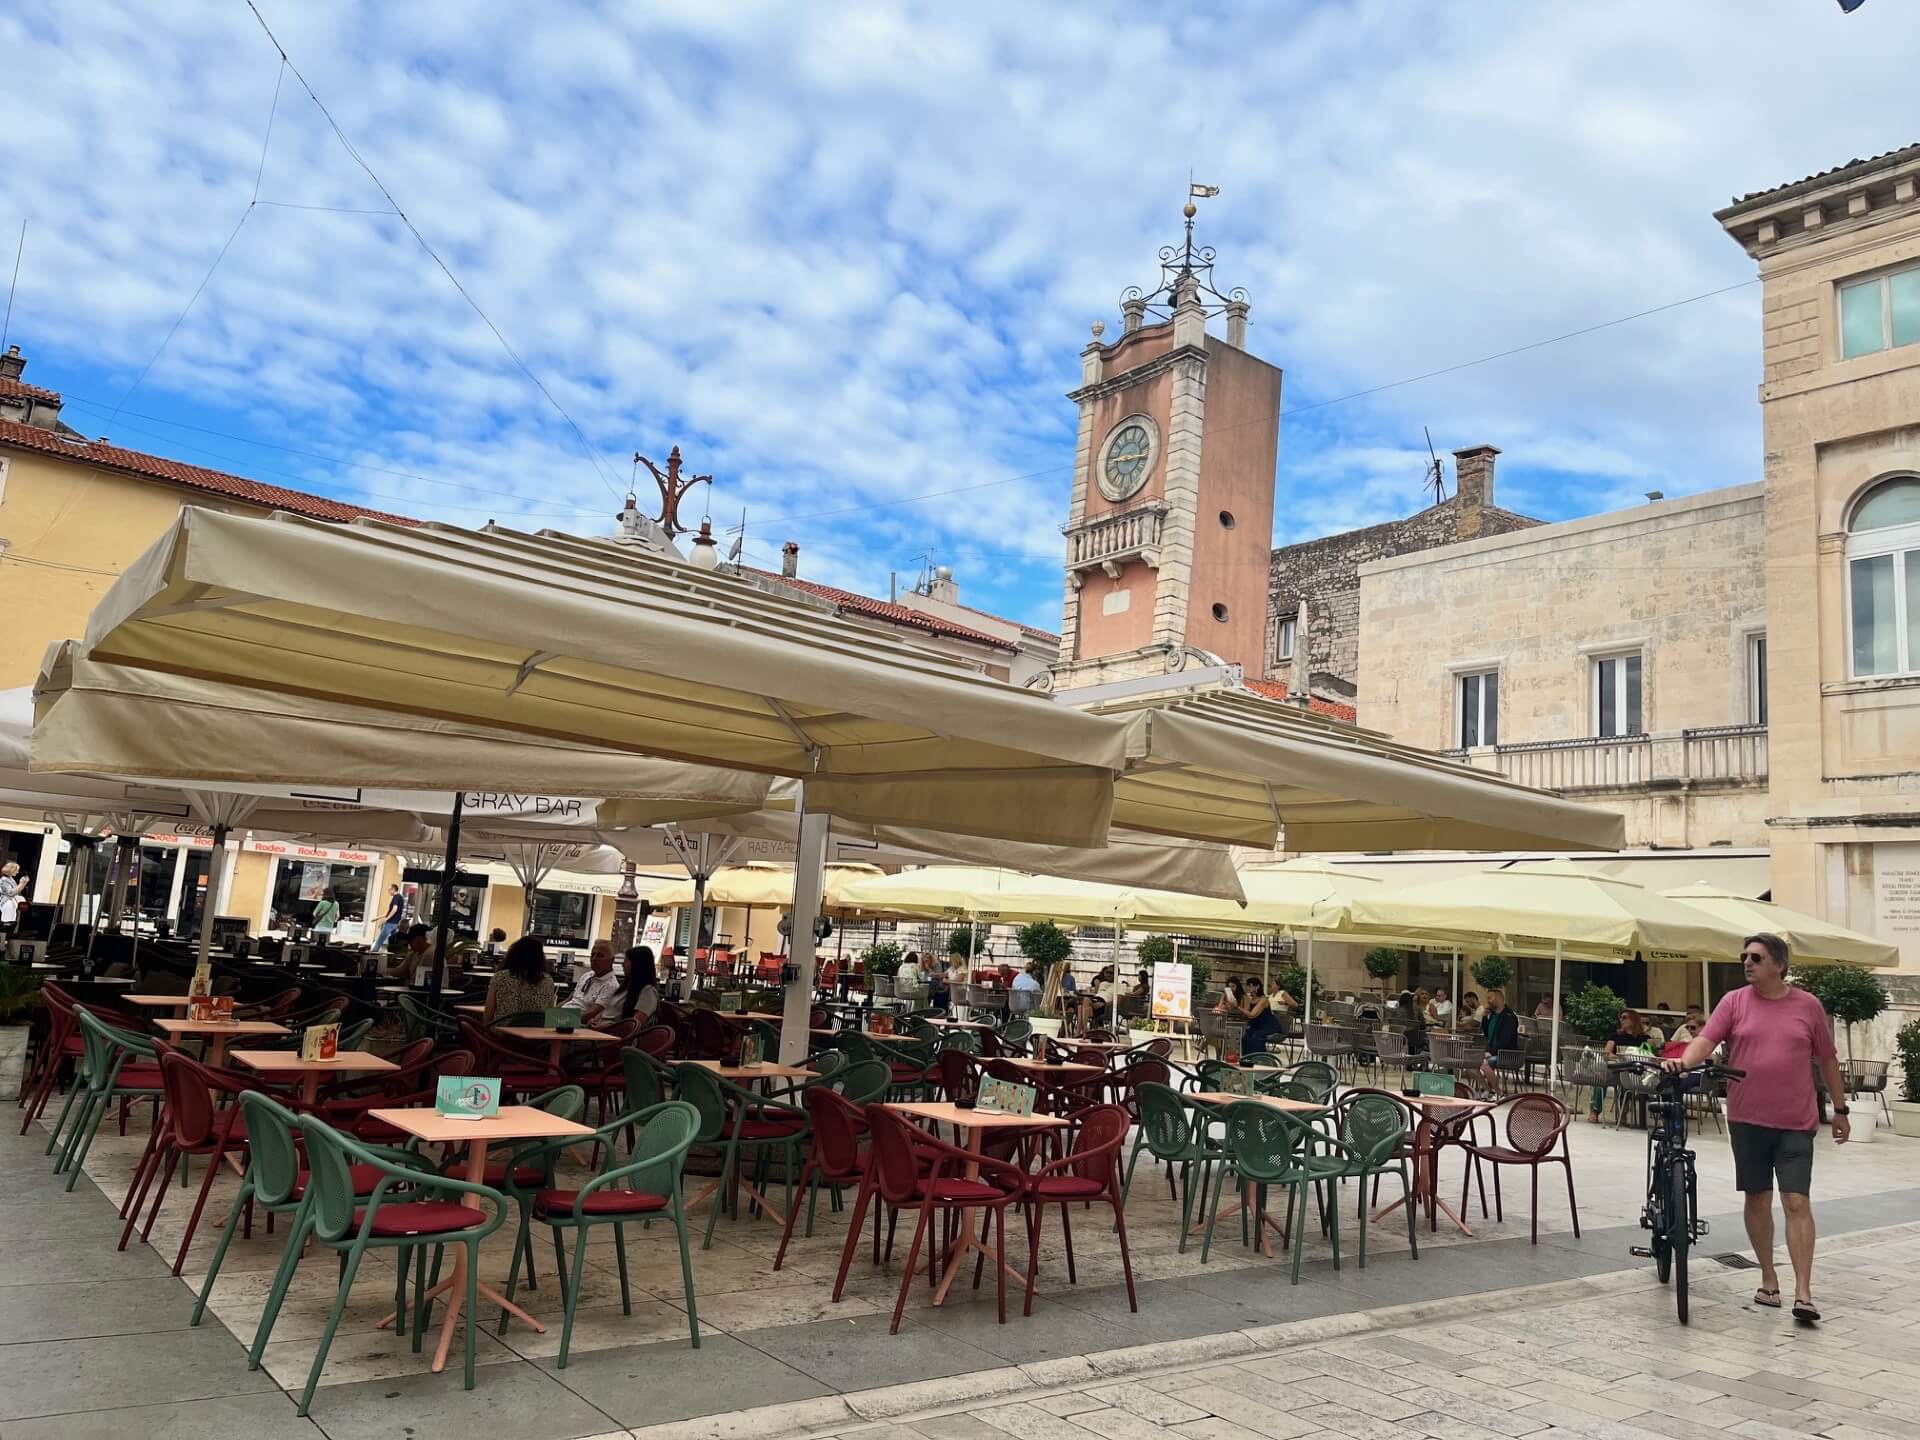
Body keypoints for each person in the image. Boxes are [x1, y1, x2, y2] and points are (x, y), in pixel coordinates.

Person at [1668, 934, 1845, 1321]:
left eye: (1756, 958)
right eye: (1744, 957)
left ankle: (1803, 1292)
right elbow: (1706, 1040)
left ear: (1779, 965)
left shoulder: (1808, 1006)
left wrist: (1841, 1109)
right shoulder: (1734, 1002)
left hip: (1796, 1122)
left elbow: (1828, 1060)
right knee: (1757, 1197)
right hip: (1747, 1119)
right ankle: (1768, 1278)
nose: (1747, 963)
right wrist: (1684, 1063)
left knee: (1797, 1200)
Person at [1591, 1008, 1652, 1120]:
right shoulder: (1615, 1036)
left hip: (1633, 1072)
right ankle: (1595, 1111)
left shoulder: (1644, 1039)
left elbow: (1649, 1056)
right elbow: (1606, 1054)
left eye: (1624, 1018)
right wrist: (1619, 1057)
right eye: (1620, 1018)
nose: (1621, 1020)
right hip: (1616, 1068)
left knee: (1627, 1079)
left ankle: (1623, 1112)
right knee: (1601, 1077)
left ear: (1633, 1020)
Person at [484, 936, 558, 1024]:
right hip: (535, 1033)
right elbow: (549, 1015)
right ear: (540, 957)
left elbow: (488, 1013)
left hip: (501, 1034)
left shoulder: (500, 977)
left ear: (513, 954)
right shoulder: (548, 981)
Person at [566, 938, 623, 1023]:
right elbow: (569, 999)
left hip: (575, 1024)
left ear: (612, 960)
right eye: (592, 955)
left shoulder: (611, 985)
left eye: (600, 955)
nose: (594, 959)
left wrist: (560, 1018)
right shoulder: (586, 975)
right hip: (562, 1018)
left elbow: (592, 1014)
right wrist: (551, 1013)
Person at [1477, 986, 1519, 1081]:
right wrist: (1484, 1017)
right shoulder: (1492, 1015)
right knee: (1471, 1064)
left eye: (1490, 998)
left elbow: (1505, 1040)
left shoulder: (1509, 1017)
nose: (1488, 1001)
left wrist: (1491, 1052)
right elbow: (1486, 1034)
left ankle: (1497, 1092)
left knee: (1486, 1064)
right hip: (1493, 1052)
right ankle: (1487, 1089)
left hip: (1507, 1055)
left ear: (1499, 999)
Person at [1239, 977, 1283, 1056]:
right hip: (1256, 1026)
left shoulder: (1263, 1000)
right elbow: (1246, 1013)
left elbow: (1252, 1014)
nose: (1248, 988)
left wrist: (1238, 1007)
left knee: (1256, 1036)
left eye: (1250, 985)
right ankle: (1246, 1058)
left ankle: (1261, 1058)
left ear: (1257, 987)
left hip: (1268, 1026)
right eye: (1248, 985)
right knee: (1246, 1037)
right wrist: (1244, 1001)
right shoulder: (1250, 999)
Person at [617, 945, 661, 1022]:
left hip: (613, 1032)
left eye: (626, 961)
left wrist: (607, 1026)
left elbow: (634, 1024)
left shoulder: (648, 992)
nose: (622, 965)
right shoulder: (625, 986)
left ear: (637, 965)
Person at [1396, 987, 1429, 1055]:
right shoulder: (1417, 1008)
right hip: (1414, 1039)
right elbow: (1423, 1025)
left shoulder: (1397, 1010)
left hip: (1398, 1038)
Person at [0, 860, 29, 935]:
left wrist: (23, 884)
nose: (18, 872)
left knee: (11, 923)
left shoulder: (10, 879)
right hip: (7, 904)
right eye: (17, 870)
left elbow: (16, 891)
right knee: (7, 923)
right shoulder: (4, 880)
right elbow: (11, 893)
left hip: (11, 904)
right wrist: (21, 884)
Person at [373, 884, 405, 951]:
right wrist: (377, 918)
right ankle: (394, 954)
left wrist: (386, 919)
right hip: (395, 923)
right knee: (394, 941)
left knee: (380, 940)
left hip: (391, 923)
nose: (388, 891)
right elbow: (389, 912)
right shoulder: (400, 897)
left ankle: (373, 953)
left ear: (393, 889)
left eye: (389, 890)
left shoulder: (396, 897)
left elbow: (394, 909)